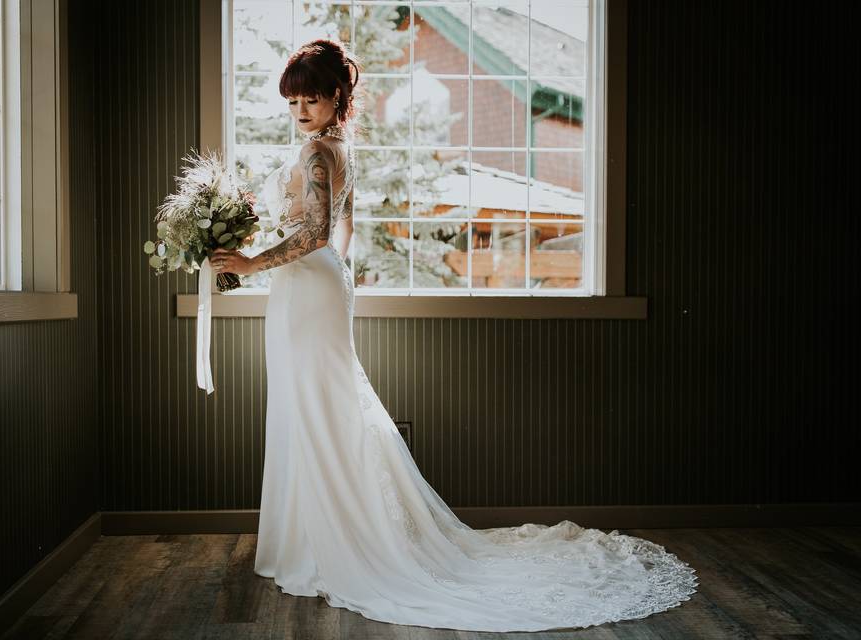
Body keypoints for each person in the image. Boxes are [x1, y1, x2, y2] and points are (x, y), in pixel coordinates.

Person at [209, 39, 699, 633]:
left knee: (315, 406)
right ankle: (316, 534)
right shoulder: (340, 149)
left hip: (305, 288)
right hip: (314, 289)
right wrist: (332, 281)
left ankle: (325, 542)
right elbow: (343, 234)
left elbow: (316, 232)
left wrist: (255, 263)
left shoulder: (318, 153)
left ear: (338, 97)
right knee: (317, 406)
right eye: (294, 102)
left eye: (310, 100)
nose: (300, 112)